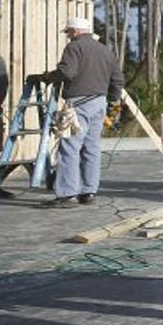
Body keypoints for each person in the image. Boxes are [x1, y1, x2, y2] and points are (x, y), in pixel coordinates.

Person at [32, 16, 123, 207]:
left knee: (70, 147)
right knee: (92, 148)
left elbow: (67, 72)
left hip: (79, 102)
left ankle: (67, 195)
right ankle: (88, 192)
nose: (67, 36)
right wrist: (113, 102)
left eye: (68, 32)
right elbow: (117, 79)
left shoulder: (75, 47)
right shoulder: (104, 50)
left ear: (75, 31)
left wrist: (46, 77)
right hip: (99, 102)